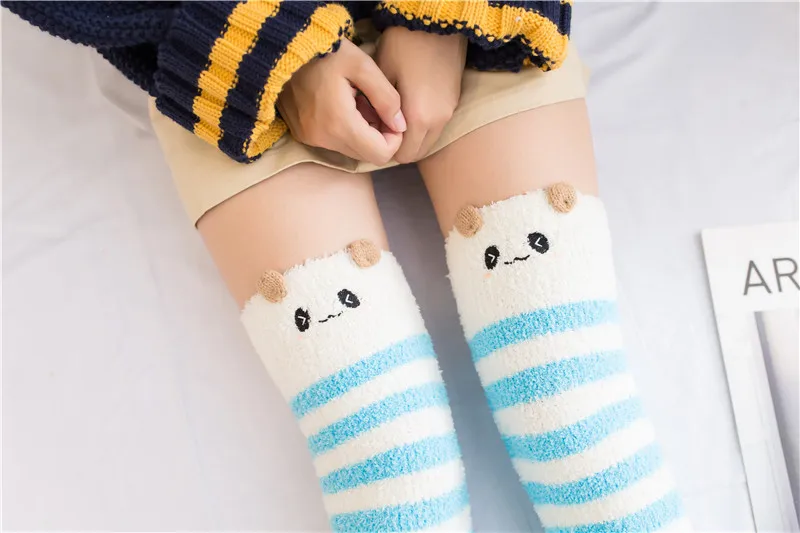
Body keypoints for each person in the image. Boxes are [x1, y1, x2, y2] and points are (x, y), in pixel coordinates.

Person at [4, 1, 688, 531]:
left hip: (485, 24)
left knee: (569, 400)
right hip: (221, 47)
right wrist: (274, 44)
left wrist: (440, 15)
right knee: (392, 467)